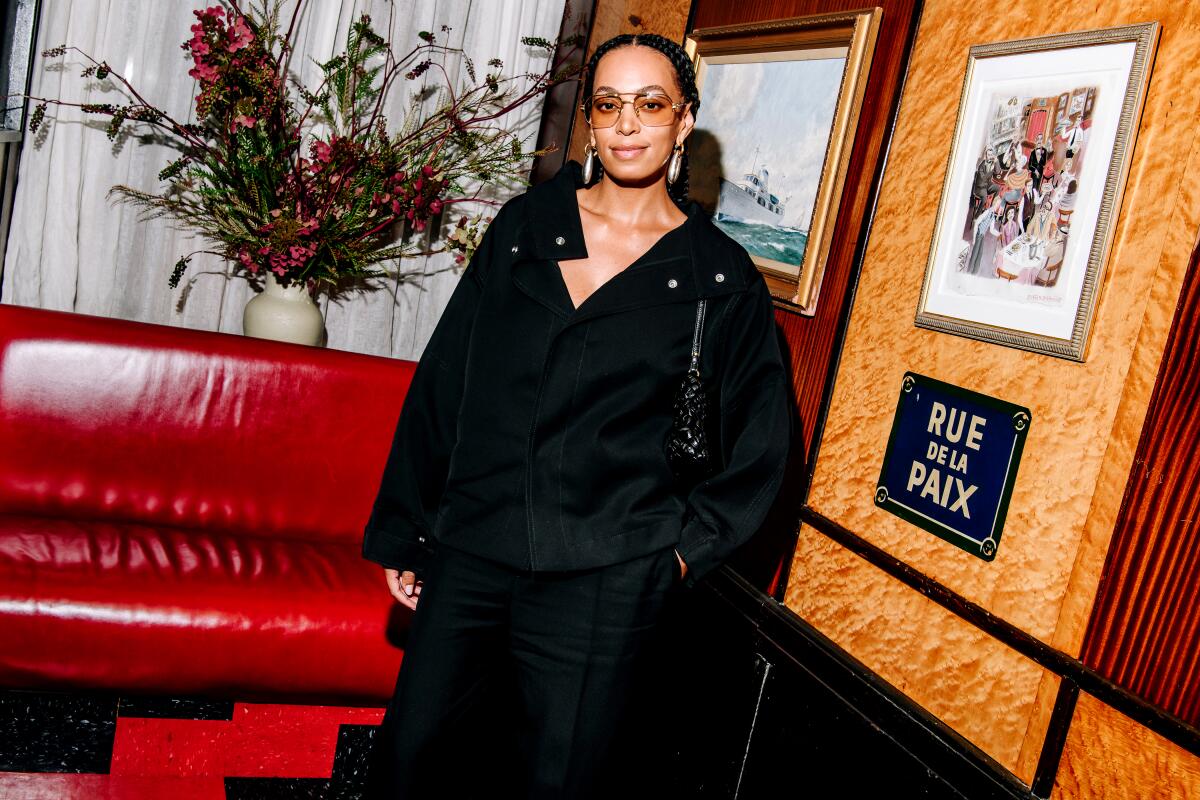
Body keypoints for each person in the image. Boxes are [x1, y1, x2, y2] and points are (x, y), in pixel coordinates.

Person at [361, 32, 792, 799]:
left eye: (650, 104)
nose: (628, 124)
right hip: (475, 549)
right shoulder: (526, 229)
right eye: (609, 104)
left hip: (605, 575)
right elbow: (446, 381)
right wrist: (408, 526)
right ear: (591, 123)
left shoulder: (718, 280)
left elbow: (761, 451)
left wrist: (676, 559)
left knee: (560, 785)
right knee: (411, 763)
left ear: (683, 121)